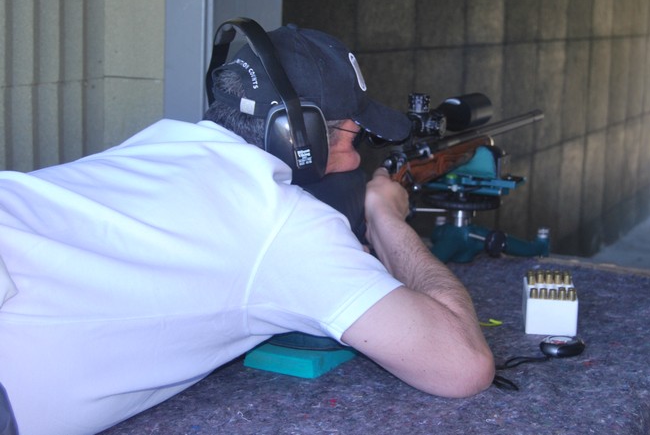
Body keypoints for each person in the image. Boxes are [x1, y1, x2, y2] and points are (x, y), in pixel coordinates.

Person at [0, 22, 495, 435]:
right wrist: (385, 217)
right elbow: (461, 365)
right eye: (354, 136)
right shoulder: (284, 224)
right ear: (298, 134)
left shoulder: (157, 144)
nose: (357, 155)